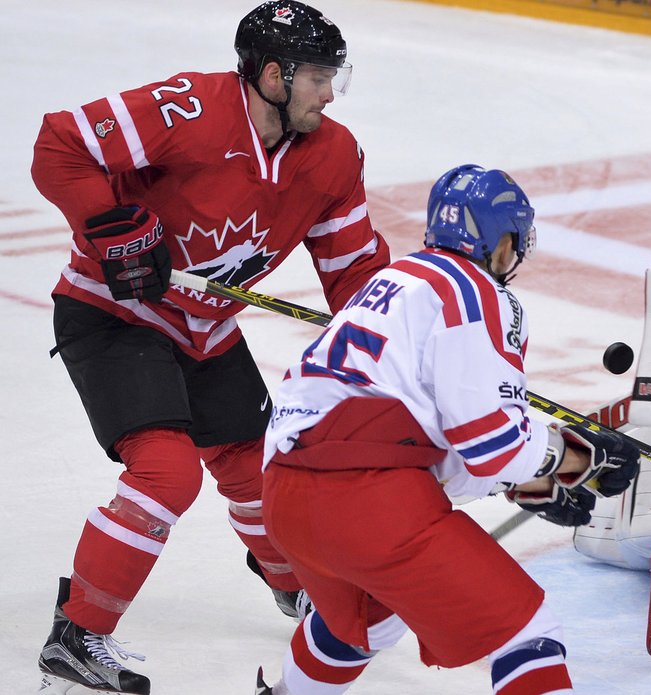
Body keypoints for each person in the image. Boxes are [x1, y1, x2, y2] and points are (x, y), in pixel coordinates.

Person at [32, 3, 390, 693]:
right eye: (317, 75)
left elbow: (352, 271)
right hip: (114, 314)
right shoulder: (190, 108)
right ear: (273, 75)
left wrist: (394, 332)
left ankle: (296, 587)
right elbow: (61, 144)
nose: (329, 91)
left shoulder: (334, 155)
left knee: (264, 472)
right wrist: (108, 224)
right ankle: (76, 633)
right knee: (168, 472)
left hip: (207, 328)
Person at [255, 164, 641, 694]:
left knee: (368, 620)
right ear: (501, 241)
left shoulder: (393, 280)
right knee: (526, 631)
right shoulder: (474, 290)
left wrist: (523, 480)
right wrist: (575, 457)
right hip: (365, 499)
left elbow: (447, 455)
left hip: (285, 494)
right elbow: (495, 444)